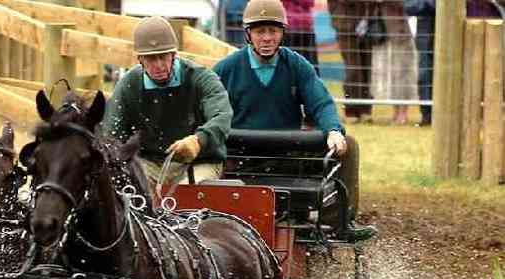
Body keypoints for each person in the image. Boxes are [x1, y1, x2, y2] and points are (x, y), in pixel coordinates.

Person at [213, 0, 376, 242]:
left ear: (282, 33)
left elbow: (320, 103)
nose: (267, 38)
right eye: (260, 31)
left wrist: (333, 130)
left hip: (289, 158)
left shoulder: (297, 65)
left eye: (273, 31)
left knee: (348, 145)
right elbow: (209, 111)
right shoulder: (226, 69)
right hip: (240, 160)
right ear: (248, 34)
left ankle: (340, 222)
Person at [101, 16, 233, 187]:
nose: (158, 65)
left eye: (163, 56)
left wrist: (198, 141)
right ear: (140, 59)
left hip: (200, 161)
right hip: (148, 163)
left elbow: (222, 116)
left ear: (174, 54)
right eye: (151, 58)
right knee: (129, 192)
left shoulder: (202, 78)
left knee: (189, 200)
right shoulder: (128, 85)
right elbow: (111, 135)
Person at [371, 1, 417, 125]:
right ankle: (396, 111)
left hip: (400, 31)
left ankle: (403, 112)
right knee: (389, 74)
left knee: (403, 73)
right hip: (381, 32)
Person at [327, 0, 373, 123]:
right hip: (345, 24)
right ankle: (351, 110)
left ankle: (365, 110)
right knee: (353, 69)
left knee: (367, 69)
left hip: (366, 23)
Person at [283, 0, 319, 74]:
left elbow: (310, 2)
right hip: (289, 27)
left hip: (305, 27)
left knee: (310, 63)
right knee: (288, 62)